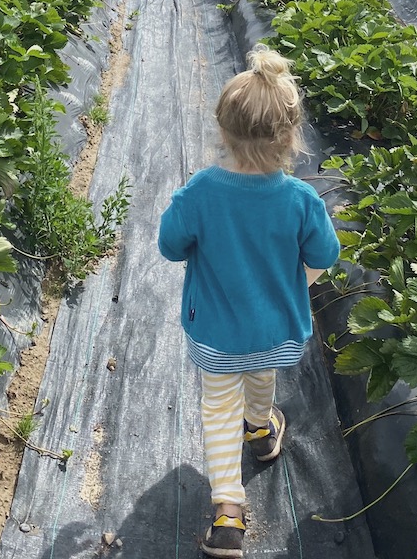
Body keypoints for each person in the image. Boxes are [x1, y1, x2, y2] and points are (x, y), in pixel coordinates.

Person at [158, 48, 340, 558]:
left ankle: (227, 514)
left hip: (216, 335)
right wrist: (294, 283)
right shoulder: (302, 200)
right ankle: (260, 431)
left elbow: (170, 247)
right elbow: (326, 253)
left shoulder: (201, 193)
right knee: (262, 377)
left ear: (223, 129)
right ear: (290, 136)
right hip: (276, 334)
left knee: (218, 408)